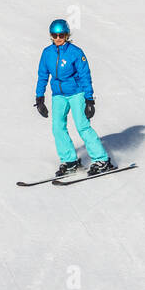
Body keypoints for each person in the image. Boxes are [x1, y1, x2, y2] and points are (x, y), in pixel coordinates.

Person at [34, 19, 114, 177]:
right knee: (57, 127)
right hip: (58, 95)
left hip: (77, 93)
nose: (58, 38)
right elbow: (42, 75)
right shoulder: (47, 53)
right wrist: (39, 98)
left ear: (67, 35)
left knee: (82, 126)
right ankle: (70, 161)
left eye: (61, 35)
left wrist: (89, 100)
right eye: (54, 35)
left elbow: (85, 75)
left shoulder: (75, 52)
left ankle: (101, 160)